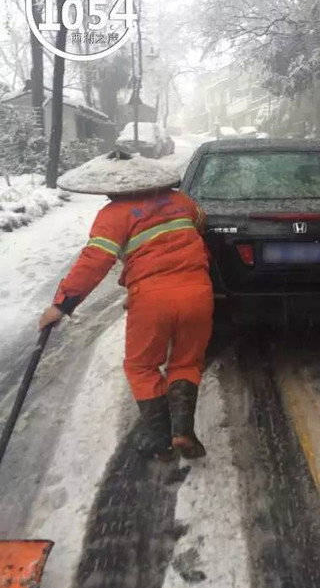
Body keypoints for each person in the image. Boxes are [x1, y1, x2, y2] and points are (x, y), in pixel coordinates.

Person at [39, 150, 213, 462]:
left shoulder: (113, 215)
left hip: (152, 299)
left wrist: (62, 304)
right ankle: (183, 431)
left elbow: (94, 261)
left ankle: (161, 440)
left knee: (141, 366)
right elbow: (201, 223)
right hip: (198, 293)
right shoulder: (181, 201)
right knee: (186, 361)